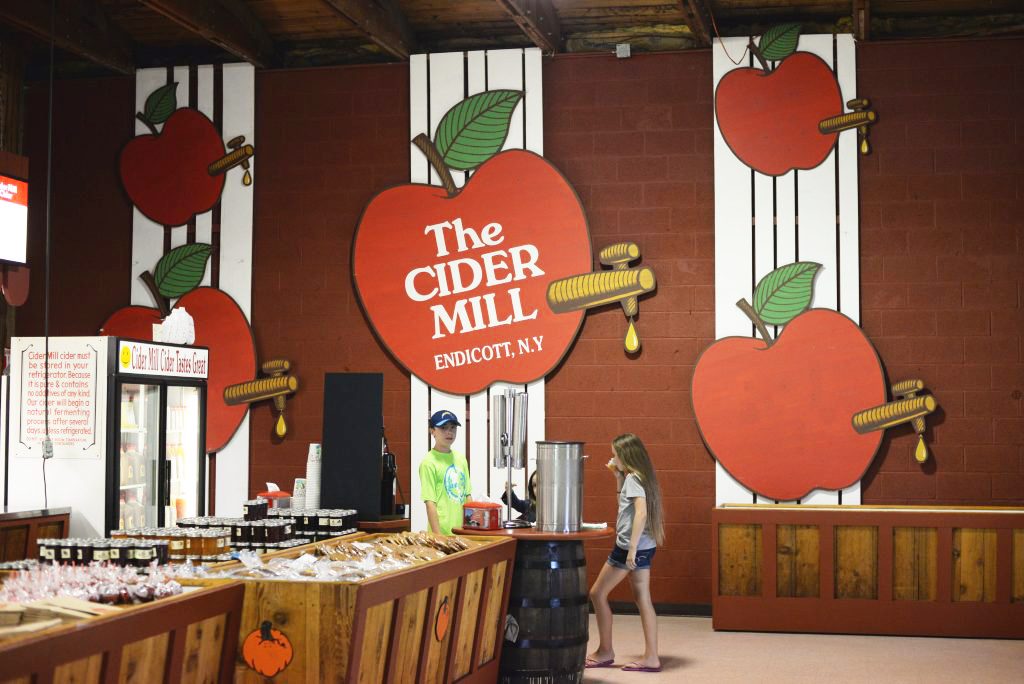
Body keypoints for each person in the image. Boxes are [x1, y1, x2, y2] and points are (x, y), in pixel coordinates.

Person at [586, 433, 665, 673]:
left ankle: (605, 651)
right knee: (643, 598)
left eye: (615, 455)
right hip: (646, 546)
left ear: (626, 456)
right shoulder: (640, 477)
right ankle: (651, 657)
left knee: (597, 593)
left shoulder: (633, 478)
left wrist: (631, 549)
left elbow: (640, 513)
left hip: (630, 548)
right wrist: (617, 477)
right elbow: (625, 506)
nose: (613, 459)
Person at [419, 409, 471, 535]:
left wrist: (471, 529)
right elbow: (430, 503)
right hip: (442, 533)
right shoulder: (428, 462)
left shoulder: (461, 459)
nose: (449, 432)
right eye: (443, 428)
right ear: (432, 431)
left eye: (453, 427)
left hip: (462, 532)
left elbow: (467, 496)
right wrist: (438, 537)